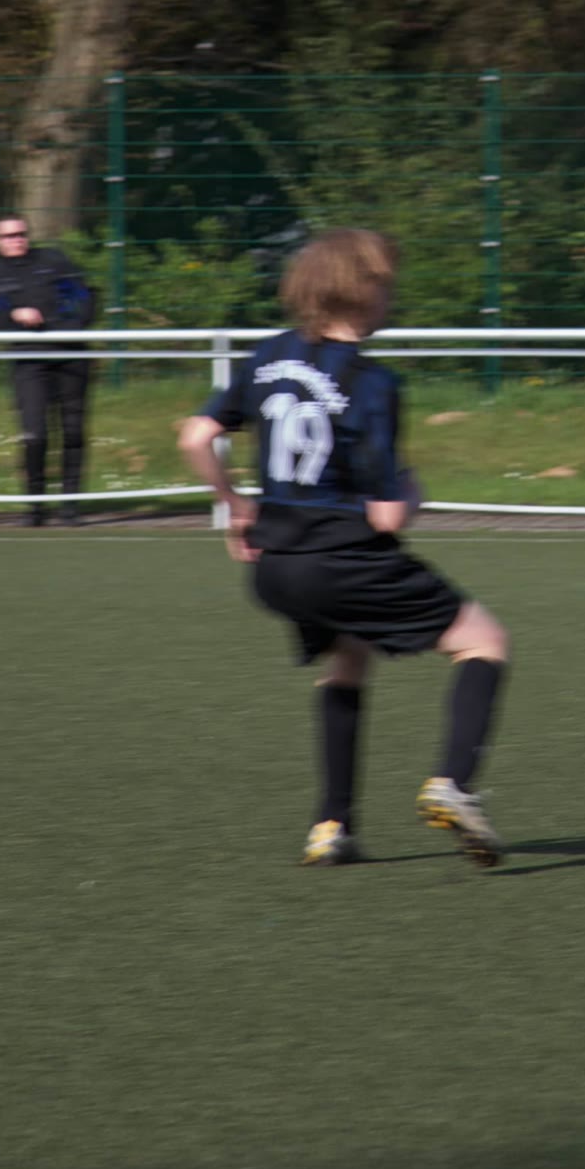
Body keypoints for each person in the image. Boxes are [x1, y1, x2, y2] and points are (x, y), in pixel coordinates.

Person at [176, 228, 511, 868]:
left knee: (346, 661)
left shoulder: (268, 354)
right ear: (364, 290)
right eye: (387, 285)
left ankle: (331, 826)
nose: (392, 297)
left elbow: (195, 436)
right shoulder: (371, 382)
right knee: (484, 642)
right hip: (343, 559)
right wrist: (414, 491)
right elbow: (386, 517)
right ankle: (454, 784)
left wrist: (236, 507)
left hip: (276, 569)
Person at [0, 215, 95, 525]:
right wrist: (15, 314)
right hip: (28, 360)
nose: (16, 239)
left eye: (21, 233)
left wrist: (57, 325)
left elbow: (83, 299)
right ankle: (35, 506)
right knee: (34, 435)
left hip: (70, 355)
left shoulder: (54, 260)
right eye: (8, 236)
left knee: (73, 432)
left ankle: (70, 506)